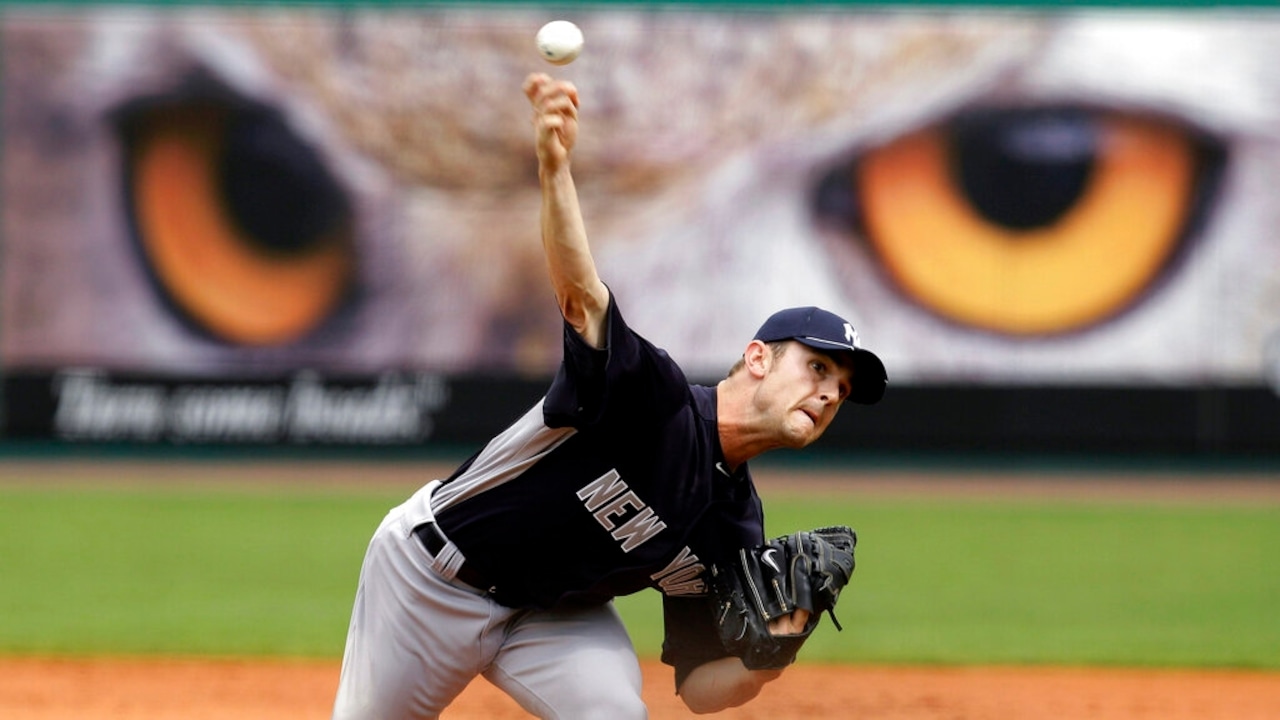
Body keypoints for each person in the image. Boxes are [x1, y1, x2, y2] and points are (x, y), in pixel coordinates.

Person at [330, 73, 887, 720]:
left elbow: (703, 689)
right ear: (758, 358)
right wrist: (554, 167)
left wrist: (771, 654)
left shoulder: (731, 523)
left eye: (842, 390)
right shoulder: (651, 397)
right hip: (434, 579)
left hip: (555, 617)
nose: (829, 394)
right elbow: (582, 294)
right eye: (819, 368)